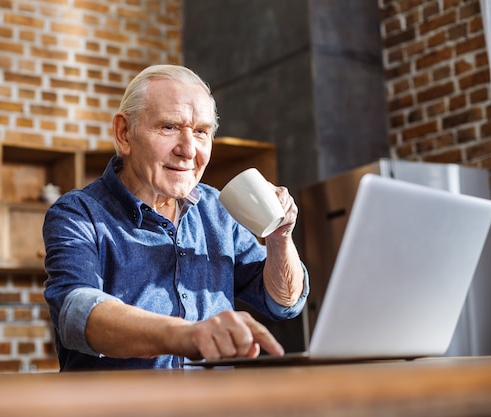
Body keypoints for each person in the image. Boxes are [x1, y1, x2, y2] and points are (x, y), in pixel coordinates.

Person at [42, 64, 309, 370]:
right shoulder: (78, 213)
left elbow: (283, 301)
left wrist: (280, 238)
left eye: (200, 132)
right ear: (124, 133)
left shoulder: (218, 209)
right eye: (169, 127)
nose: (188, 150)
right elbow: (78, 313)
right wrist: (186, 334)